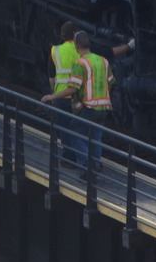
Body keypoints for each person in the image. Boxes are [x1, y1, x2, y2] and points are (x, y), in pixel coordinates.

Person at [42, 30, 112, 168]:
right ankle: (97, 164)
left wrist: (53, 96)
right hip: (104, 106)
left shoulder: (81, 64)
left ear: (77, 46)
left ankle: (88, 165)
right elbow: (110, 81)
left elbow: (72, 89)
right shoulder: (103, 60)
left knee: (74, 131)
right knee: (96, 137)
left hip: (90, 106)